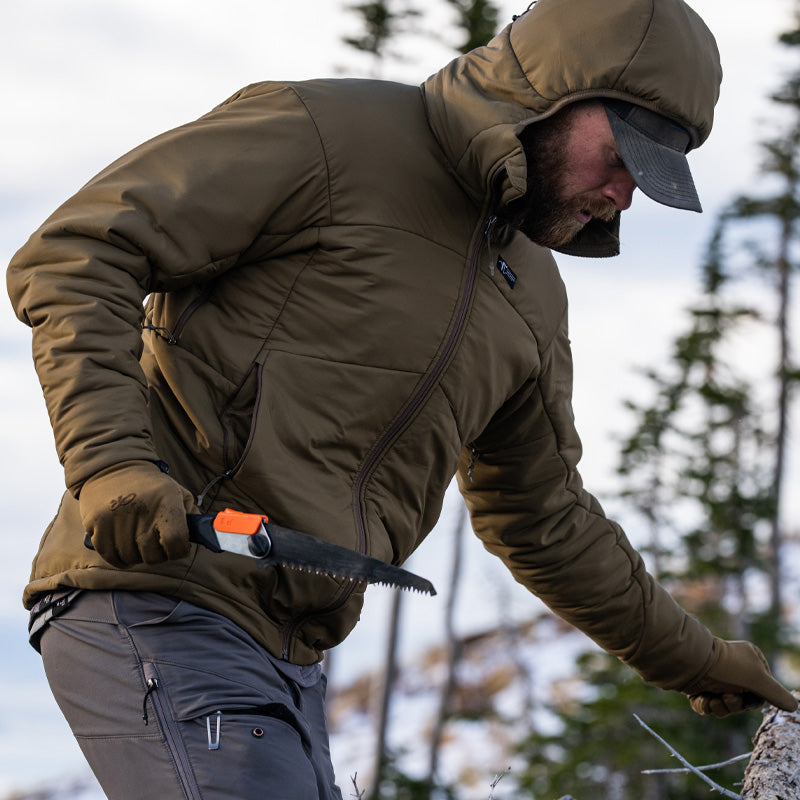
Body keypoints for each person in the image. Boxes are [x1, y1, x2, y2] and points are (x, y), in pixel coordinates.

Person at [8, 0, 797, 797]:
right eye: (625, 154)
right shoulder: (327, 133)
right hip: (159, 600)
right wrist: (110, 462)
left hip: (291, 659)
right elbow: (80, 251)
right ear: (561, 89)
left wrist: (694, 656)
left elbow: (544, 517)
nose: (625, 195)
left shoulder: (532, 296)